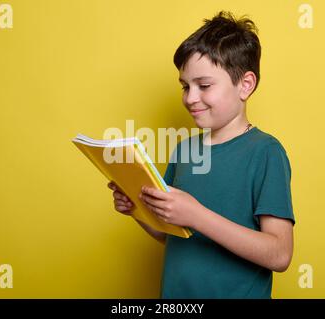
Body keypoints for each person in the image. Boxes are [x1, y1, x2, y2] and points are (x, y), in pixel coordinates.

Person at [107, 11, 295, 299]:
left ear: (245, 84)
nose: (190, 98)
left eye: (204, 86)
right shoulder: (184, 150)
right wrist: (136, 209)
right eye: (185, 86)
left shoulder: (266, 152)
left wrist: (197, 215)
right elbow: (169, 233)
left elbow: (279, 254)